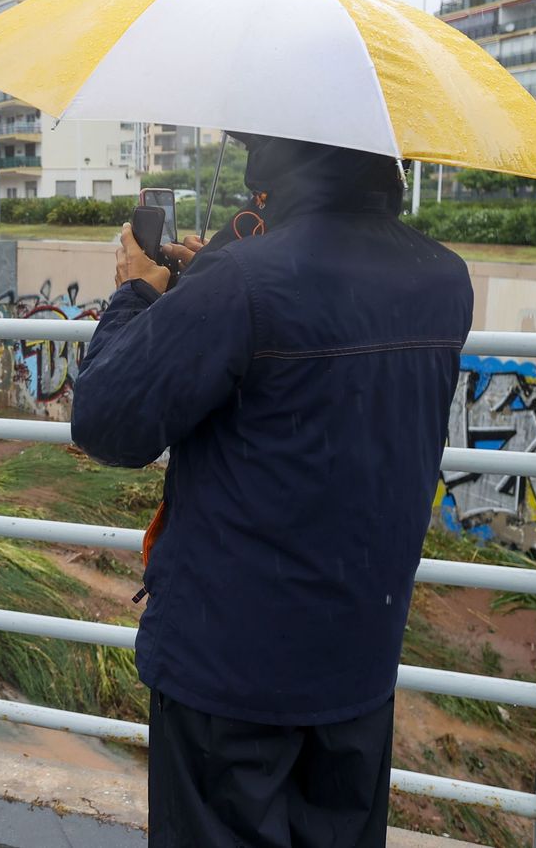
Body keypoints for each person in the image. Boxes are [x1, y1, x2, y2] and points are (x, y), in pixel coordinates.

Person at [70, 134, 473, 848]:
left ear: (281, 159)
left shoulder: (245, 286)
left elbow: (107, 420)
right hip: (357, 666)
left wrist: (138, 290)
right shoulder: (443, 279)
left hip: (228, 677)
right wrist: (214, 280)